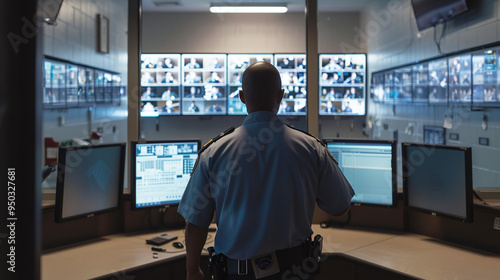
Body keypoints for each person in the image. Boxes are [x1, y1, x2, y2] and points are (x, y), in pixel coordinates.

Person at [177, 62, 354, 280]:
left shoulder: (213, 153)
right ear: (281, 96)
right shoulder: (311, 148)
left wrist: (192, 269)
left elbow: (196, 221)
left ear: (241, 97)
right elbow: (340, 208)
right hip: (296, 272)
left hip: (235, 274)